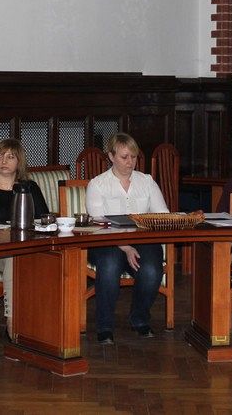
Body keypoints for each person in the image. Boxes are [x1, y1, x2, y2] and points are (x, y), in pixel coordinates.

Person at [85, 133, 168, 344]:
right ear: (111, 157)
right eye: (124, 157)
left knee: (151, 270)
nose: (130, 162)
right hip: (107, 241)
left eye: (133, 156)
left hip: (143, 239)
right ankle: (104, 326)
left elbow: (162, 215)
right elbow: (99, 223)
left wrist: (137, 241)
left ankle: (139, 318)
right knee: (110, 265)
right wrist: (126, 247)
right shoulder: (98, 184)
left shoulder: (146, 181)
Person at [0, 138, 50, 337]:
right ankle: (13, 322)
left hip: (26, 247)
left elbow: (44, 220)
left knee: (51, 259)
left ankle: (46, 325)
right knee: (15, 258)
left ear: (19, 161)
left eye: (10, 157)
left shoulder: (29, 187)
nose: (3, 161)